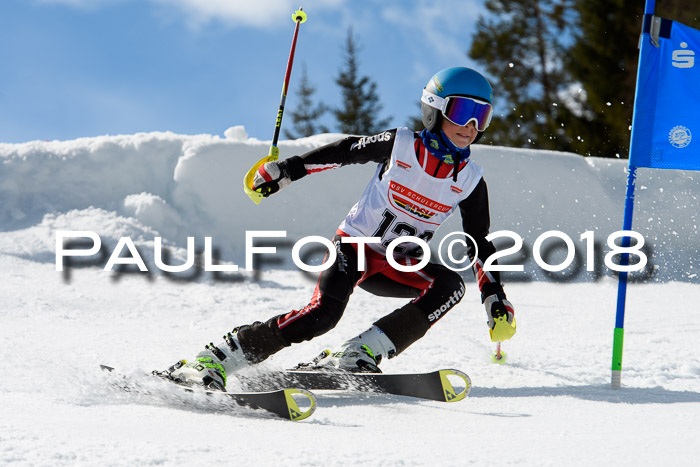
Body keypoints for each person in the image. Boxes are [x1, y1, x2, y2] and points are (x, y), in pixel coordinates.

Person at [164, 66, 516, 391]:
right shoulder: (402, 145)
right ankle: (218, 357)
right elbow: (346, 151)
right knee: (322, 315)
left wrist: (494, 296)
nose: (470, 124)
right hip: (353, 248)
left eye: (480, 115)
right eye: (461, 111)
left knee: (450, 286)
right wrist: (287, 170)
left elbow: (479, 242)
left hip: (396, 265)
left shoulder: (470, 180)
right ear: (434, 109)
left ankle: (360, 352)